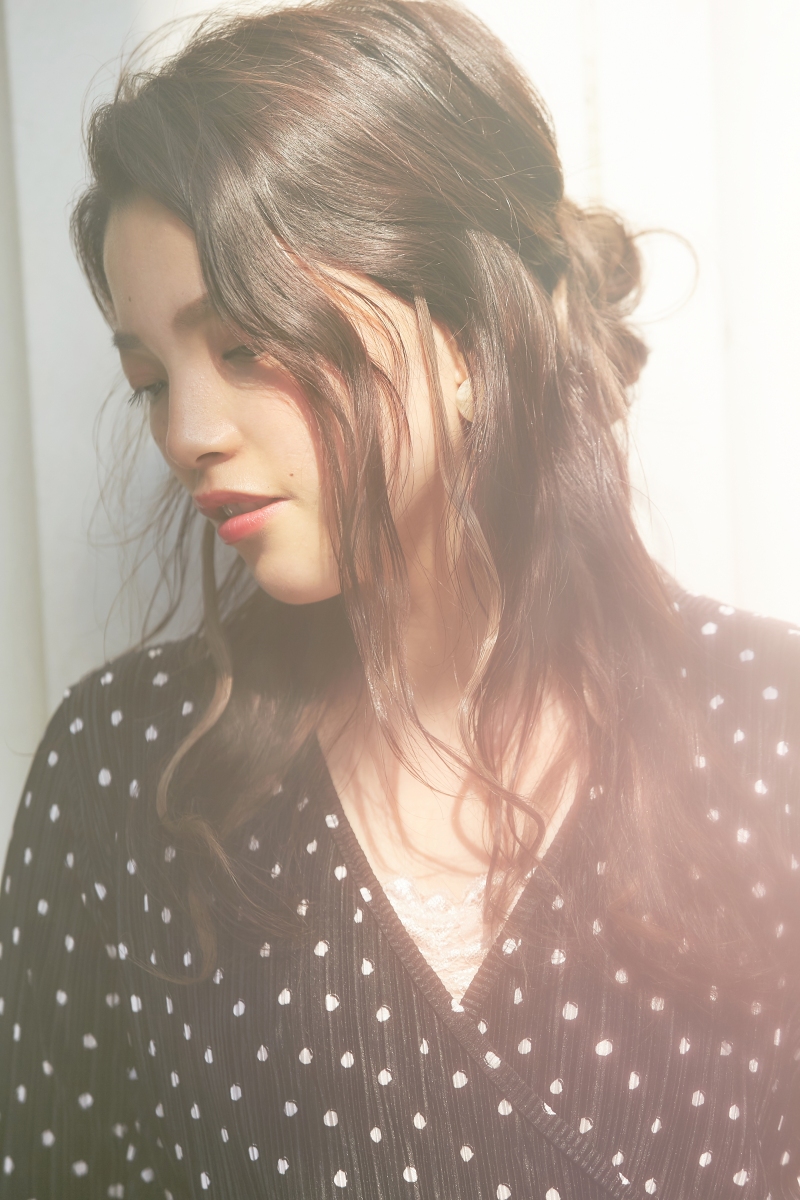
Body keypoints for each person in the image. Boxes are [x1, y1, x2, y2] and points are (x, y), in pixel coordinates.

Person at [1, 1, 799, 1196]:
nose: (188, 431)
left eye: (245, 345)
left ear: (468, 328)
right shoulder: (124, 768)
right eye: (151, 379)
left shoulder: (770, 729)